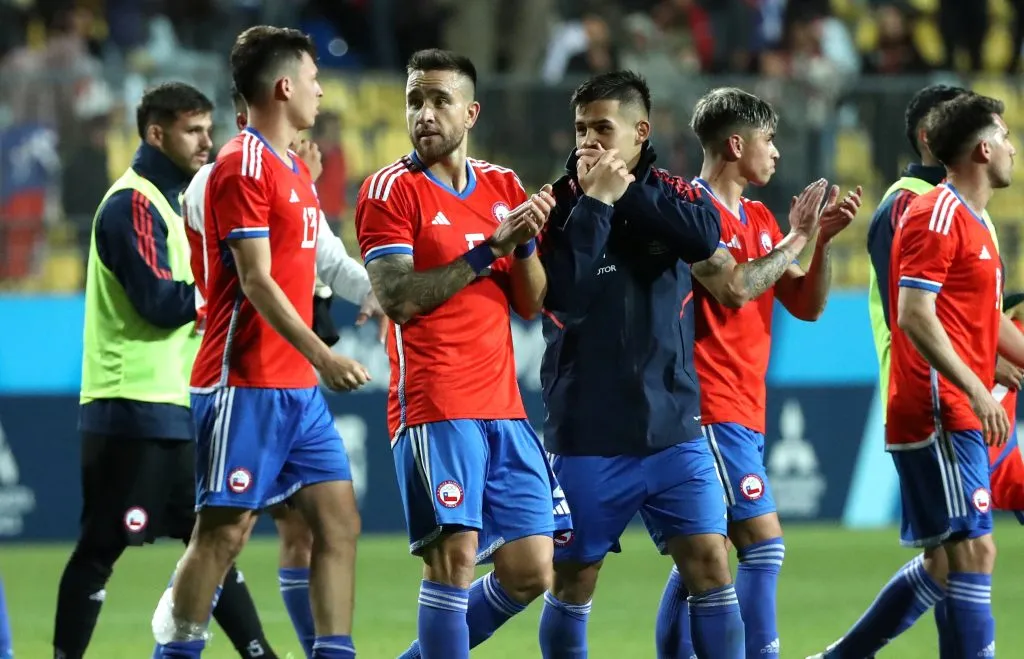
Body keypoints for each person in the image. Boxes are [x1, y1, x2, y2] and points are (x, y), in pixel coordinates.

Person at [154, 26, 367, 659]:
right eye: (312, 78)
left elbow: (318, 261)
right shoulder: (240, 166)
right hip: (242, 384)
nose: (320, 90)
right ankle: (176, 652)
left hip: (295, 392)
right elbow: (255, 281)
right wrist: (323, 355)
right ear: (283, 87)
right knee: (222, 537)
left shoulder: (293, 172)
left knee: (339, 523)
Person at [354, 48, 569, 659]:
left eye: (438, 100)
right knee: (451, 563)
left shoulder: (503, 186)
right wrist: (487, 250)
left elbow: (530, 305)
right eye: (414, 100)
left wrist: (523, 248)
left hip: (503, 406)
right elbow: (398, 298)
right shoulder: (390, 191)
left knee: (532, 569)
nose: (424, 113)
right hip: (435, 404)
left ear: (470, 111)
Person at [57, 82, 278, 659]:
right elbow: (157, 301)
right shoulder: (132, 203)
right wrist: (223, 297)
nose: (208, 141)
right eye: (193, 130)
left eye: (210, 129)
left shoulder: (175, 201)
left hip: (172, 408)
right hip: (130, 406)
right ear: (156, 134)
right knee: (102, 549)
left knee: (211, 543)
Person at [809, 90, 1024, 659]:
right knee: (970, 556)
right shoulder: (930, 212)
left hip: (958, 403)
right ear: (981, 148)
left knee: (953, 560)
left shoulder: (972, 221)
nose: (1012, 147)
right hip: (939, 403)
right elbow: (913, 313)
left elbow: (979, 317)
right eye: (1004, 137)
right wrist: (979, 387)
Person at [534, 70, 739, 659]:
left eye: (603, 128)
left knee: (710, 562)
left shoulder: (671, 192)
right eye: (580, 130)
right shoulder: (556, 205)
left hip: (673, 427)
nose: (588, 143)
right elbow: (565, 297)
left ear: (640, 132)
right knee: (574, 579)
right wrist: (596, 202)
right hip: (588, 432)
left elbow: (704, 236)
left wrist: (623, 192)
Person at [652, 86, 859, 659]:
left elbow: (807, 305)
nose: (776, 153)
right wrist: (798, 235)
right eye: (769, 141)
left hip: (745, 406)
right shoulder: (689, 210)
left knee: (705, 552)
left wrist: (820, 242)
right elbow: (737, 290)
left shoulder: (762, 217)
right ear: (736, 143)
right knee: (763, 547)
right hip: (707, 404)